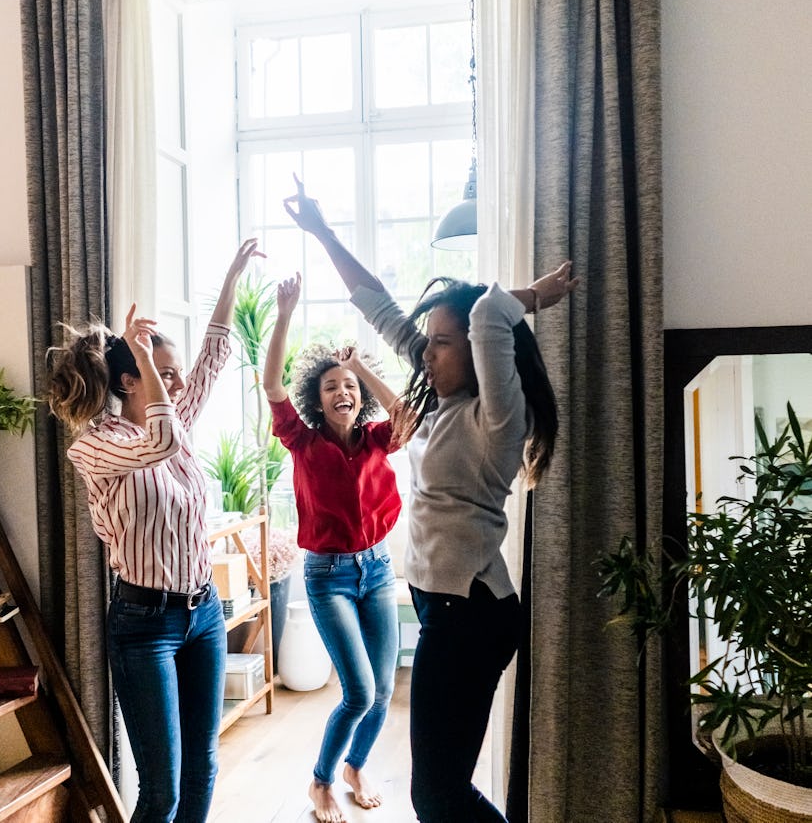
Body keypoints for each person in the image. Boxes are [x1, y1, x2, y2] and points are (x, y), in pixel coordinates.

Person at [284, 177, 578, 822]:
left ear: (480, 352)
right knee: (440, 791)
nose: (427, 350)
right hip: (443, 607)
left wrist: (534, 295)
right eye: (431, 340)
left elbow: (489, 313)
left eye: (442, 342)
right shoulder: (441, 402)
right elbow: (378, 306)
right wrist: (323, 232)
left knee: (438, 795)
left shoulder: (499, 417)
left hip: (470, 615)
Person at [47, 239, 262, 823]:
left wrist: (231, 276)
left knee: (202, 769)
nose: (179, 385)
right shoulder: (96, 447)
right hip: (145, 625)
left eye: (175, 374)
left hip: (203, 613)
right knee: (162, 791)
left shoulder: (176, 423)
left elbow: (211, 360)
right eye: (164, 375)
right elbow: (159, 442)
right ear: (128, 381)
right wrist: (144, 357)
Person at [263, 272, 403, 823]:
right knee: (359, 692)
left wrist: (361, 367)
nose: (343, 392)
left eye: (349, 386)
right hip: (329, 577)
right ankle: (321, 780)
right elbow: (272, 384)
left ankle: (355, 766)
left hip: (379, 569)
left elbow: (407, 414)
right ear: (317, 401)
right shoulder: (302, 440)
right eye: (331, 387)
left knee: (384, 689)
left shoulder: (376, 439)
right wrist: (285, 314)